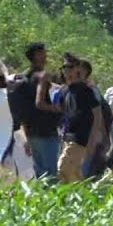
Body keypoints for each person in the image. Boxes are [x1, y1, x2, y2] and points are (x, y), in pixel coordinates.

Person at [44, 56, 104, 183]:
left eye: (70, 67)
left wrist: (93, 139)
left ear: (77, 69)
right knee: (74, 172)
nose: (66, 71)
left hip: (80, 138)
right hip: (67, 136)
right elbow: (59, 111)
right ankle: (84, 196)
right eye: (64, 67)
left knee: (62, 168)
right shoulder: (64, 90)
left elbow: (97, 115)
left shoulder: (86, 90)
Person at [18, 42, 62, 180]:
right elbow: (39, 102)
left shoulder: (24, 76)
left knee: (40, 172)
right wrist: (56, 108)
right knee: (51, 173)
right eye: (43, 53)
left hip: (31, 130)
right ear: (36, 55)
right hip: (46, 130)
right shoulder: (42, 76)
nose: (45, 56)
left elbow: (24, 107)